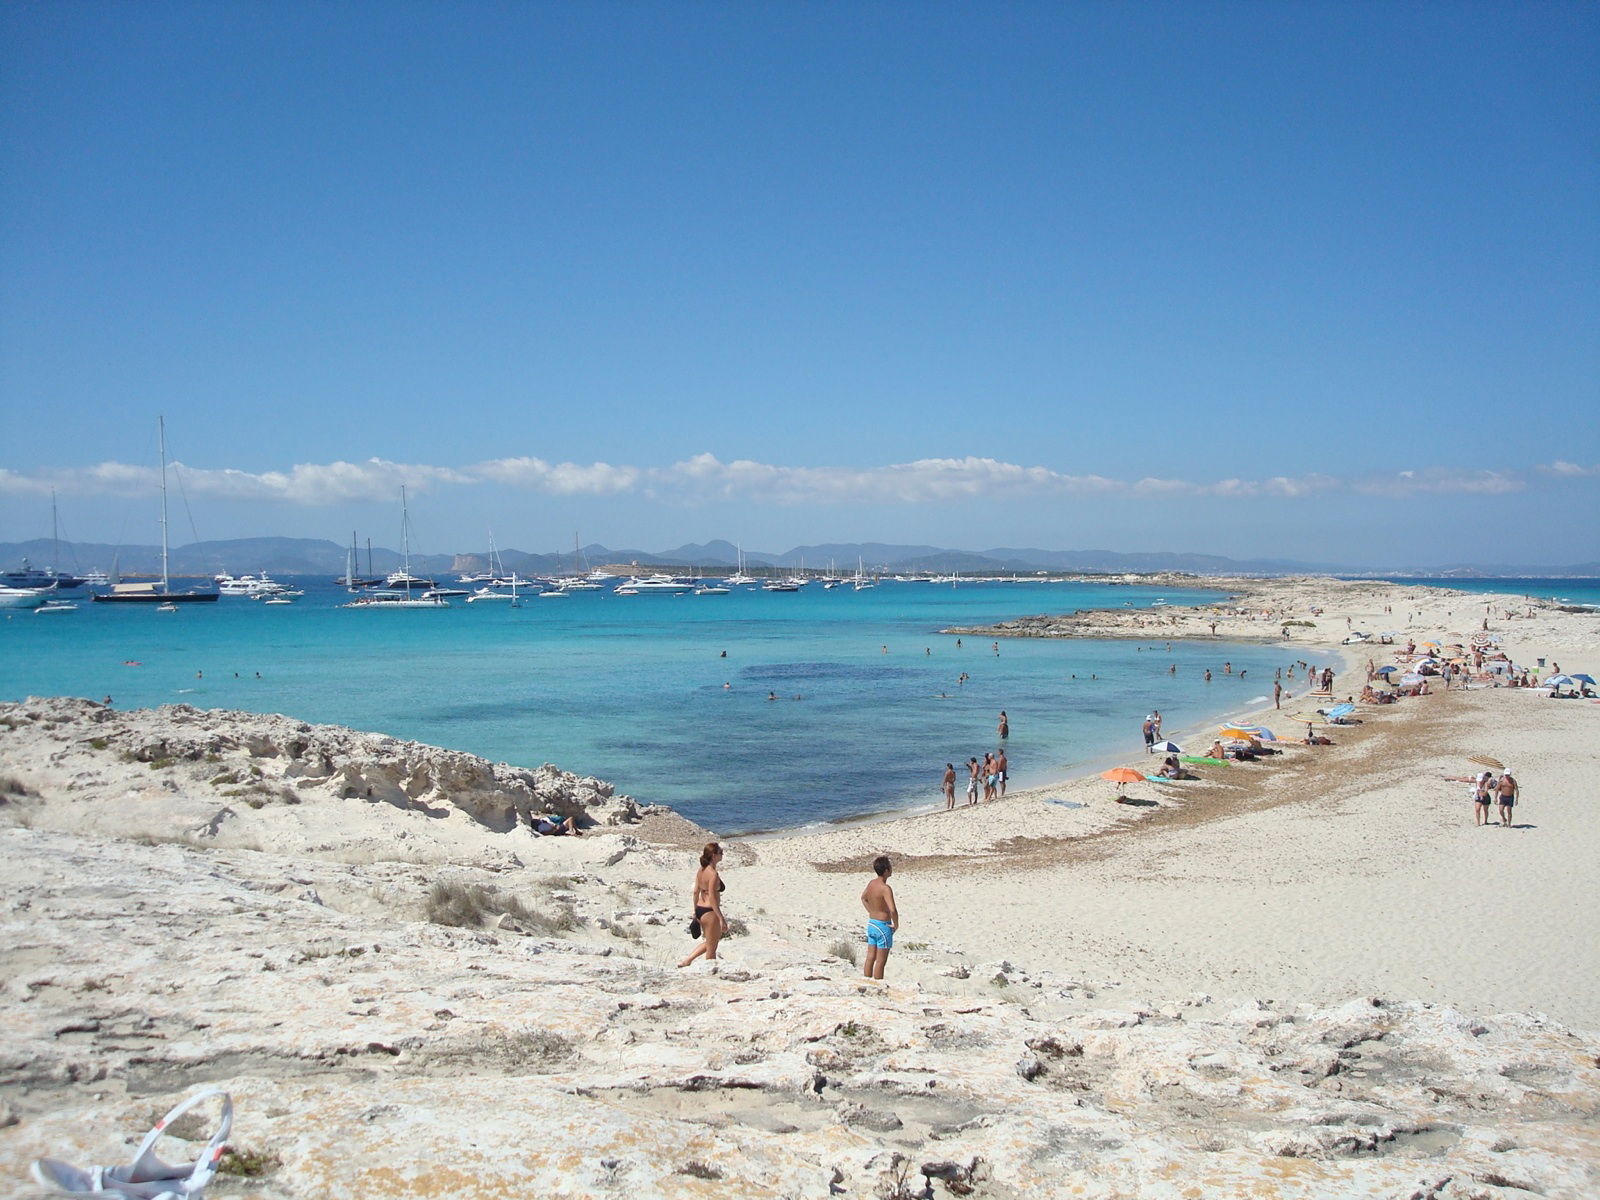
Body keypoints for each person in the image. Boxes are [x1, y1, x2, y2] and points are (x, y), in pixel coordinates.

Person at [679, 842, 726, 967]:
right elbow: (712, 896)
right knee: (712, 948)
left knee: (710, 942)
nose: (722, 854)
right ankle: (708, 972)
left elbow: (696, 892)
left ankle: (688, 960)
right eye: (720, 852)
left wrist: (695, 910)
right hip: (710, 911)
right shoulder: (713, 874)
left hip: (700, 909)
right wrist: (721, 918)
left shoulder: (701, 870)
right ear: (713, 856)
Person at [861, 855, 899, 980]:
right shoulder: (885, 888)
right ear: (886, 870)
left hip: (872, 923)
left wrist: (871, 911)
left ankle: (866, 981)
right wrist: (896, 924)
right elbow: (892, 909)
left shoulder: (871, 883)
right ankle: (878, 985)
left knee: (870, 957)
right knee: (880, 961)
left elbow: (864, 898)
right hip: (883, 925)